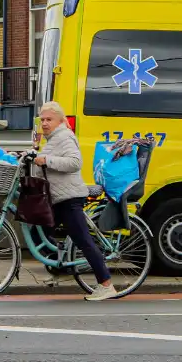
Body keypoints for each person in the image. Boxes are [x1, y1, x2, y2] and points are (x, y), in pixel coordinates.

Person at [34, 101, 116, 301]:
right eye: (42, 119)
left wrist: (46, 160)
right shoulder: (52, 139)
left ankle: (106, 284)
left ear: (60, 121)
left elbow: (75, 162)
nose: (44, 123)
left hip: (69, 198)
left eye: (49, 119)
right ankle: (60, 266)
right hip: (58, 198)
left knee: (83, 240)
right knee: (38, 229)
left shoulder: (64, 137)